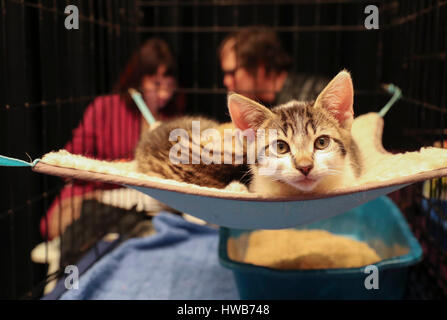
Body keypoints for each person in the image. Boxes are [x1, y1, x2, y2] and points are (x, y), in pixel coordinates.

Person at [41, 38, 185, 240]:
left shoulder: (173, 120)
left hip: (147, 204)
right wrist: (117, 169)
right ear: (139, 79)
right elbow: (69, 160)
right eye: (156, 83)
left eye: (170, 85)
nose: (164, 93)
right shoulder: (105, 108)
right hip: (95, 197)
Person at [219, 26, 329, 107]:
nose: (226, 81)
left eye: (232, 73)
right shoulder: (263, 105)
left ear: (260, 66)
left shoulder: (315, 94)